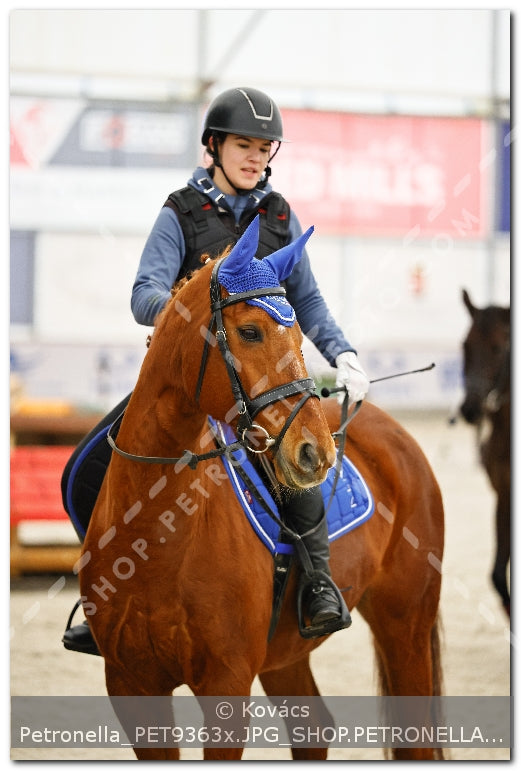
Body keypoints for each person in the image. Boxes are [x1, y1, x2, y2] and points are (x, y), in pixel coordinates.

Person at [62, 86, 370, 654]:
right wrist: (186, 314)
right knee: (84, 470)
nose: (255, 157)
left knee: (298, 466)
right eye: (243, 145)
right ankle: (100, 594)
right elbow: (144, 294)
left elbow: (307, 300)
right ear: (214, 146)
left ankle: (318, 582)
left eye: (264, 148)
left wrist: (343, 353)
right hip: (184, 384)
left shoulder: (279, 216)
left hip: (256, 385)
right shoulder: (180, 210)